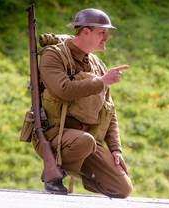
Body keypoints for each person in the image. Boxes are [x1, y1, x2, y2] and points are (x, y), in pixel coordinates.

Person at [32, 8, 133, 198]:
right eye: (102, 32)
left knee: (122, 189)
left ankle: (77, 168)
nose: (107, 37)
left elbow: (109, 111)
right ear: (85, 31)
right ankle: (53, 170)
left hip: (87, 141)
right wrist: (102, 81)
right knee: (84, 142)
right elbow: (63, 90)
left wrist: (115, 149)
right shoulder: (53, 56)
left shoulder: (97, 64)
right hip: (54, 135)